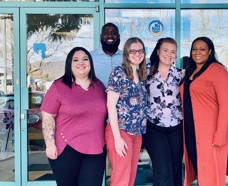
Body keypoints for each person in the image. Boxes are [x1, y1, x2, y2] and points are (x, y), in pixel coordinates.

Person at [40, 47, 107, 186]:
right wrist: (50, 144)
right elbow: (47, 117)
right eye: (75, 60)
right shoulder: (59, 86)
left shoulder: (99, 86)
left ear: (90, 63)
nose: (81, 63)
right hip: (66, 149)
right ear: (69, 64)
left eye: (85, 59)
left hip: (96, 149)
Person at [179, 36, 228, 186]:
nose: (197, 52)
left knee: (211, 174)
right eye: (194, 49)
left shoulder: (218, 71)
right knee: (200, 170)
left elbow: (226, 105)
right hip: (191, 132)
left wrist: (220, 134)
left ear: (210, 51)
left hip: (210, 134)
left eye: (202, 49)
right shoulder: (190, 71)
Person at [105, 37, 148, 186]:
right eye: (133, 51)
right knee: (120, 179)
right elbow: (111, 106)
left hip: (137, 134)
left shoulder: (142, 75)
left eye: (141, 50)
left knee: (130, 177)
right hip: (121, 132)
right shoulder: (119, 73)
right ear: (126, 53)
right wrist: (117, 138)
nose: (138, 54)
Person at [143, 37, 184, 186]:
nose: (169, 54)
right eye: (165, 50)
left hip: (177, 127)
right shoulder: (145, 73)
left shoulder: (181, 74)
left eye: (173, 51)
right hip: (153, 127)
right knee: (162, 169)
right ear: (158, 51)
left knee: (175, 168)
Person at [90, 22, 123, 87]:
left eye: (114, 33)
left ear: (119, 36)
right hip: (97, 96)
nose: (110, 35)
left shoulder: (127, 57)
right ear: (101, 36)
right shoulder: (90, 56)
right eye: (106, 33)